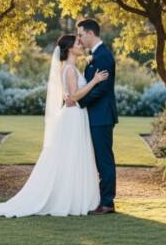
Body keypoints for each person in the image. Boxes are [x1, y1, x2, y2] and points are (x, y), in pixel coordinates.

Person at [0, 34, 109, 217]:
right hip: (74, 116)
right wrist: (94, 81)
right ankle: (71, 198)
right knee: (72, 156)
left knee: (73, 156)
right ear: (69, 49)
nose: (81, 45)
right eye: (78, 43)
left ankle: (76, 197)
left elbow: (68, 97)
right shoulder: (69, 69)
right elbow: (74, 96)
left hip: (75, 115)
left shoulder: (70, 68)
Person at [66, 18, 118, 215]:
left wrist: (79, 101)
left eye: (80, 34)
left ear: (90, 33)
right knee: (98, 159)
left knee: (104, 160)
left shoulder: (103, 56)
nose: (78, 38)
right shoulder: (95, 56)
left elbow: (101, 89)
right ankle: (100, 199)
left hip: (102, 116)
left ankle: (107, 203)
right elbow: (90, 85)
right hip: (95, 115)